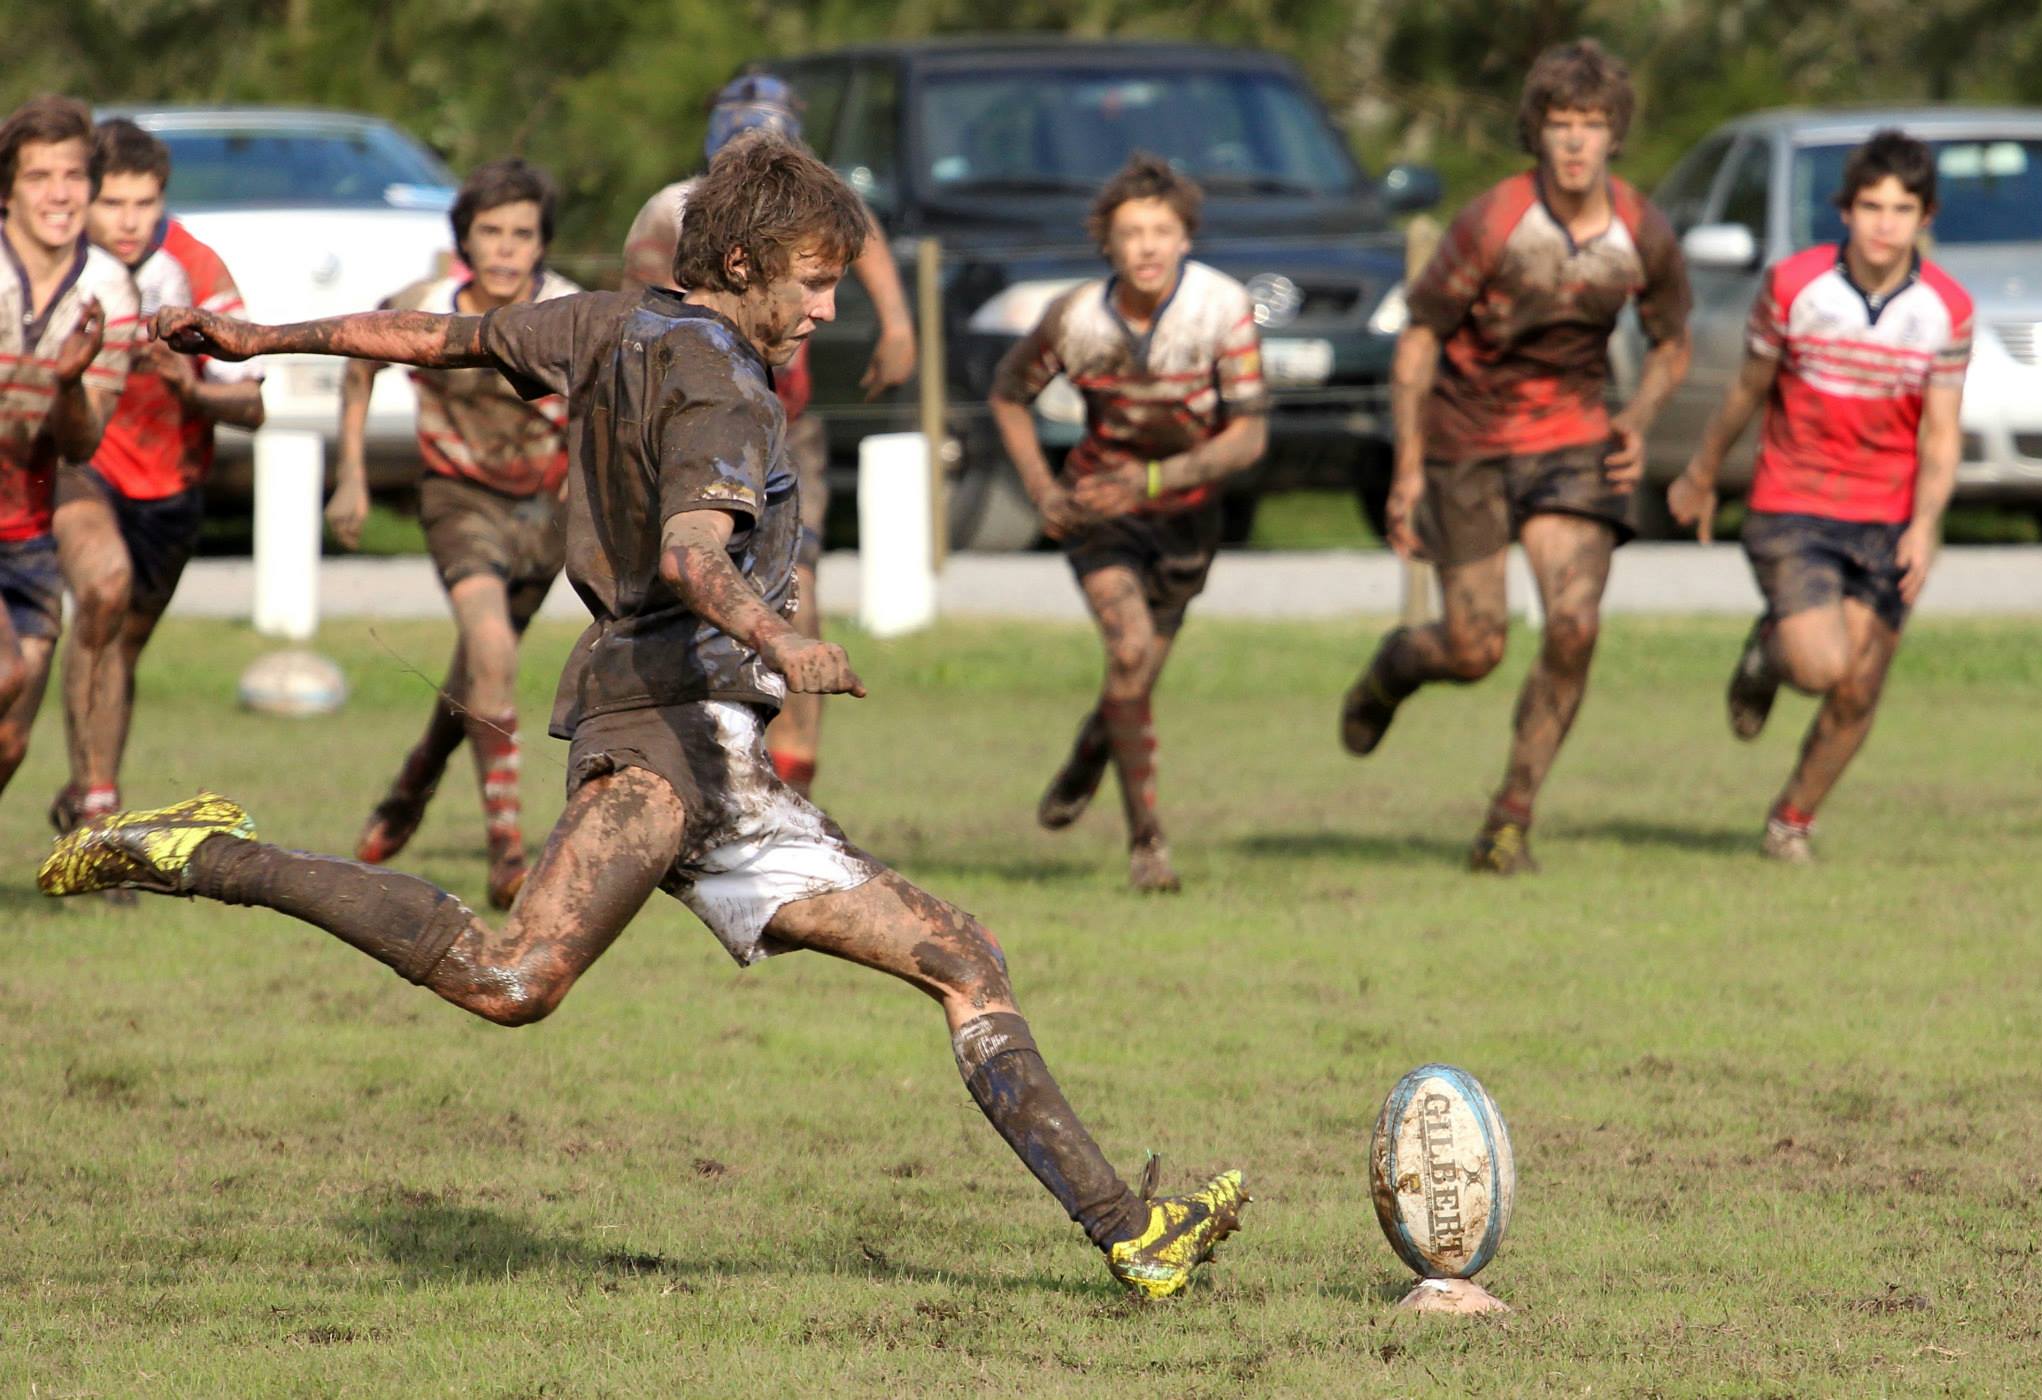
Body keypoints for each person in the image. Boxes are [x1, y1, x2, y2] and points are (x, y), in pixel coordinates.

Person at [42, 135, 1245, 1299]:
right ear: (740, 267)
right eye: (815, 285)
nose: (829, 312)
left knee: (962, 957)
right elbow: (688, 552)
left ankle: (1132, 1230)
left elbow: (437, 336)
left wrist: (264, 337)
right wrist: (783, 637)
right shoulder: (722, 385)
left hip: (702, 751)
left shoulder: (614, 319)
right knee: (511, 979)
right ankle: (213, 853)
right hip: (666, 745)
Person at [1336, 39, 1693, 873]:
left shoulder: (1640, 228)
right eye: (1561, 124)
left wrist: (1638, 417)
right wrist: (1410, 467)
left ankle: (1509, 820)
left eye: (1592, 125)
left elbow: (1673, 344)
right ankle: (1396, 666)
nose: (1575, 142)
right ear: (1537, 131)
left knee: (1574, 625)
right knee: (1475, 647)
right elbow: (1421, 337)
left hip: (1573, 440)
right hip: (1469, 442)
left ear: (1615, 134)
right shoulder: (1495, 220)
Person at [1666, 131, 1969, 863]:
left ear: (1925, 216)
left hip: (1888, 513)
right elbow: (1748, 388)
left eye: (1901, 209)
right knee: (1822, 665)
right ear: (1844, 209)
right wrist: (1701, 471)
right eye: (1870, 206)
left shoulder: (1947, 309)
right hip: (1794, 503)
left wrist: (1925, 526)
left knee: (1860, 683)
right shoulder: (1794, 286)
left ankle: (1790, 824)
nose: (1884, 224)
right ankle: (1770, 653)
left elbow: (1940, 435)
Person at [621, 72, 916, 799]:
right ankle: (706, 774)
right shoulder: (672, 213)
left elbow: (859, 232)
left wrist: (898, 319)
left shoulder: (808, 204)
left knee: (799, 590)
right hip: (704, 426)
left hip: (789, 425)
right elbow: (632, 326)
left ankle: (793, 794)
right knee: (695, 589)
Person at [989, 153, 1269, 892]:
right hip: (1099, 514)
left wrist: (1154, 477)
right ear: (1106, 244)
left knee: (1133, 675)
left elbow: (1249, 436)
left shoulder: (1222, 307)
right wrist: (1045, 491)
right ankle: (1149, 845)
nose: (1147, 245)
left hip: (1185, 519)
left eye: (1162, 230)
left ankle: (1092, 749)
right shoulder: (1075, 317)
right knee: (1132, 650)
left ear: (1186, 238)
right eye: (1131, 232)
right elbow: (1007, 394)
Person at [324, 159, 581, 909]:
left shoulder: (567, 310)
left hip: (547, 511)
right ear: (464, 239)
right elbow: (356, 358)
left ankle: (412, 784)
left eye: (522, 235)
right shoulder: (427, 305)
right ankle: (508, 853)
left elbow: (613, 392)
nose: (506, 250)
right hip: (458, 499)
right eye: (490, 233)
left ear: (542, 245)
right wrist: (352, 473)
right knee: (492, 649)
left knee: (480, 674)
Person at [50, 119, 264, 843]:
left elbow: (254, 405)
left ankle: (87, 781)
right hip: (84, 470)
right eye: (114, 203)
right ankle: (98, 814)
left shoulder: (196, 268)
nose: (130, 221)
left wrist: (193, 389)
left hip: (170, 488)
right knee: (101, 600)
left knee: (119, 649)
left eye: (145, 204)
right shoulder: (58, 261)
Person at [0, 96, 139, 803]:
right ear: (7, 191)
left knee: (10, 739)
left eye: (74, 175)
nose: (59, 192)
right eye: (38, 176)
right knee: (4, 676)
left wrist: (69, 381)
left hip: (28, 522)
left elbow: (81, 442)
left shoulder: (109, 289)